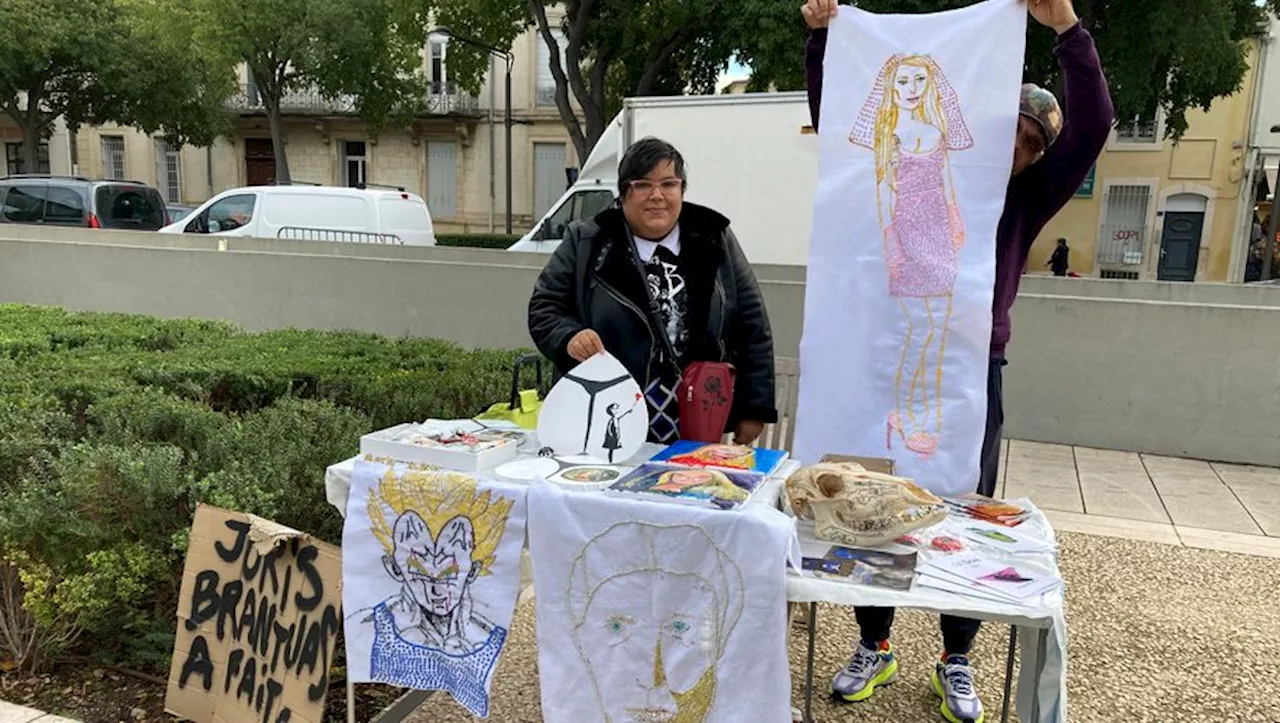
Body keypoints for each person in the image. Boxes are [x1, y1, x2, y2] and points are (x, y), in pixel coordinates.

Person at [801, 0, 1113, 721]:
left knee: (964, 508)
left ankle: (957, 655)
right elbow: (843, 111)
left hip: (970, 372)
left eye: (1034, 141)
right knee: (865, 495)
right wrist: (822, 42)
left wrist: (1068, 31)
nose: (1020, 148)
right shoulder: (915, 158)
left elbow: (1093, 126)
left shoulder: (1025, 200)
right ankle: (874, 640)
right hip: (873, 350)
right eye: (1013, 130)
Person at [528, 137, 777, 445]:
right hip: (608, 415)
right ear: (623, 194)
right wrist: (568, 337)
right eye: (643, 185)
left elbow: (752, 325)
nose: (657, 196)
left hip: (699, 413)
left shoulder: (714, 237)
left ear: (681, 189)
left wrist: (754, 407)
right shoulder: (587, 241)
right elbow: (544, 309)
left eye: (669, 184)